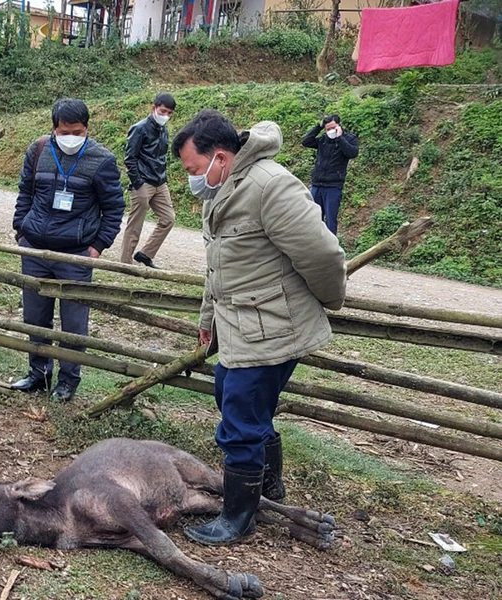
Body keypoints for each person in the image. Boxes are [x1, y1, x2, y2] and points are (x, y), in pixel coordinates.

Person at [172, 110, 346, 546]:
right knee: (231, 394)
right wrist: (207, 321)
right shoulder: (224, 189)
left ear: (221, 157)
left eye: (194, 169)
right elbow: (220, 268)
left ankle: (238, 517)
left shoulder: (270, 186)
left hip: (272, 326)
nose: (192, 179)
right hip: (240, 324)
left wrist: (329, 301)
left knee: (240, 417)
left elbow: (322, 254)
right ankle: (269, 487)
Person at [11, 99, 125, 403]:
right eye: (64, 131)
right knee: (35, 317)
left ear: (87, 128)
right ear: (54, 129)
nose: (71, 136)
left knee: (74, 324)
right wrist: (20, 229)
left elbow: (114, 209)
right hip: (35, 248)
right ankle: (38, 373)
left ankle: (68, 381)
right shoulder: (38, 151)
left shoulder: (102, 160)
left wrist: (97, 247)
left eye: (77, 131)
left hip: (75, 254)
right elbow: (26, 191)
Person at [120, 93, 177, 269]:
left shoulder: (164, 129)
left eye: (169, 113)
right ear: (154, 108)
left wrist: (163, 178)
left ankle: (145, 254)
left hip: (160, 182)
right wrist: (137, 182)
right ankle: (125, 264)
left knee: (169, 219)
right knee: (135, 224)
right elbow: (130, 158)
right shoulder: (139, 128)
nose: (165, 115)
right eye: (163, 111)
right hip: (143, 182)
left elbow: (161, 156)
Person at [301, 114, 358, 235]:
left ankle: (331, 247)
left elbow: (352, 153)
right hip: (317, 185)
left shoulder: (348, 138)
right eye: (327, 129)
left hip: (333, 186)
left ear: (339, 125)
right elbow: (306, 141)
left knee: (331, 220)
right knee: (314, 218)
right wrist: (319, 126)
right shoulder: (323, 140)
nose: (330, 131)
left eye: (333, 128)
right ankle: (316, 244)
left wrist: (339, 137)